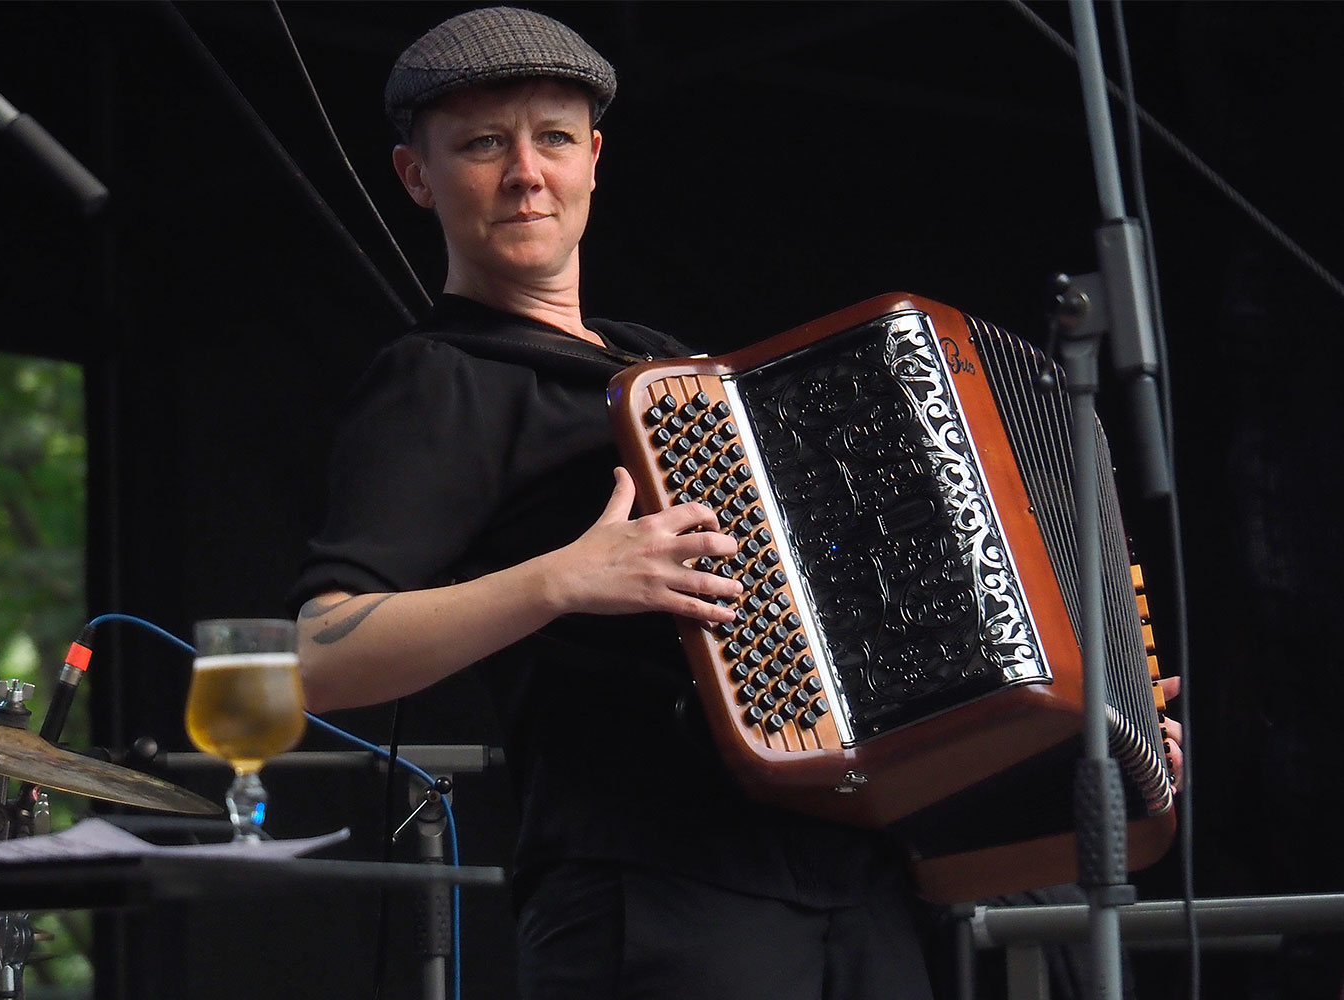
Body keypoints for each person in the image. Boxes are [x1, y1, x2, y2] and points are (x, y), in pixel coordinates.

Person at [288, 7, 1182, 999]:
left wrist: (1078, 714)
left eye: (551, 138)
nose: (525, 172)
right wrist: (561, 580)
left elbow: (849, 627)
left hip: (854, 877)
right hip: (663, 896)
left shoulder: (666, 368)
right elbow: (316, 658)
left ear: (593, 158)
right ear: (418, 175)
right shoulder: (439, 380)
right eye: (483, 144)